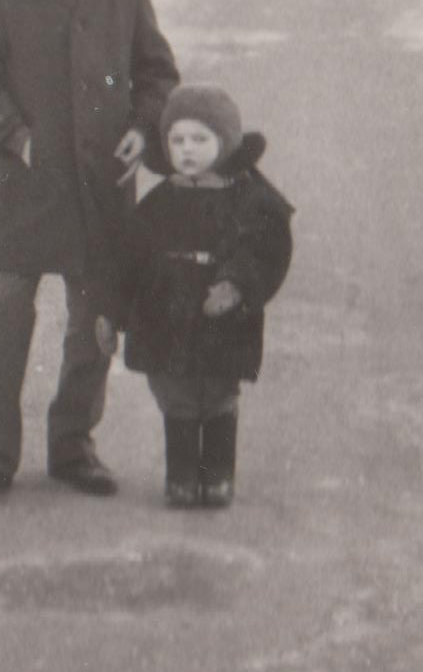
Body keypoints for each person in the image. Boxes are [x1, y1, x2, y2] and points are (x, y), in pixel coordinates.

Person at [0, 0, 181, 507]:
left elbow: (157, 72)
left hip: (101, 186)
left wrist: (144, 126)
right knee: (7, 315)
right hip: (25, 185)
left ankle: (73, 444)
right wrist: (13, 134)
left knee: (94, 320)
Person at [96, 84, 294, 508]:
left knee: (218, 394)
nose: (187, 149)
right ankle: (182, 476)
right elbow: (128, 261)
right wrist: (110, 313)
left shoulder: (248, 199)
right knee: (177, 397)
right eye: (178, 140)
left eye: (200, 139)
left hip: (221, 318)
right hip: (166, 317)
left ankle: (217, 474)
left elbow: (266, 249)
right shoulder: (158, 202)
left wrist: (236, 284)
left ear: (226, 141)